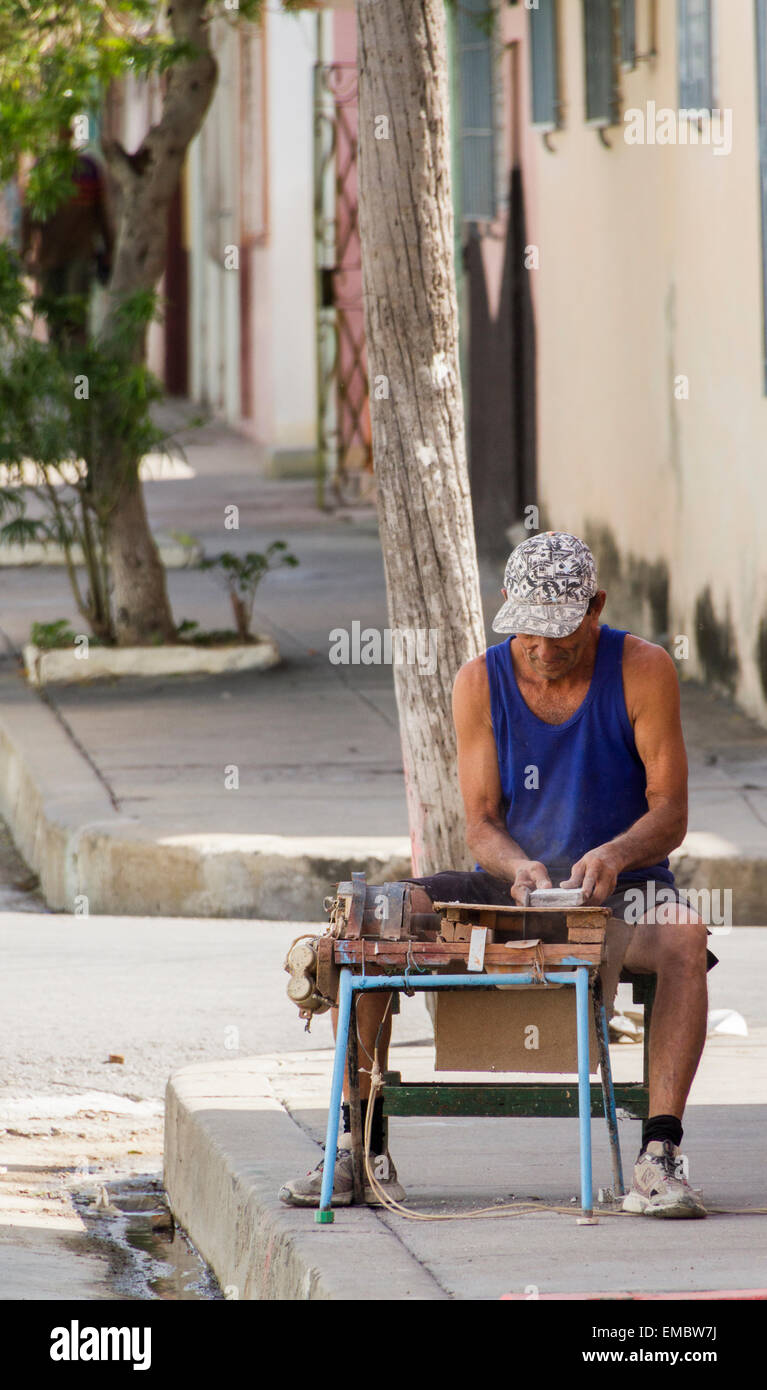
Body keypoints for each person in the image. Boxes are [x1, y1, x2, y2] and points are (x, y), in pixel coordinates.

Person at [280, 531, 711, 1218]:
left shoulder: (642, 669)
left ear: (596, 607)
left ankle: (658, 1156)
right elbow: (480, 821)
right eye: (528, 634)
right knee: (375, 918)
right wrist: (517, 866)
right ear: (505, 605)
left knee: (685, 938)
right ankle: (358, 1146)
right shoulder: (479, 679)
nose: (543, 651)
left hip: (623, 891)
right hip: (515, 882)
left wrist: (613, 854)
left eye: (561, 635)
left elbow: (670, 812)